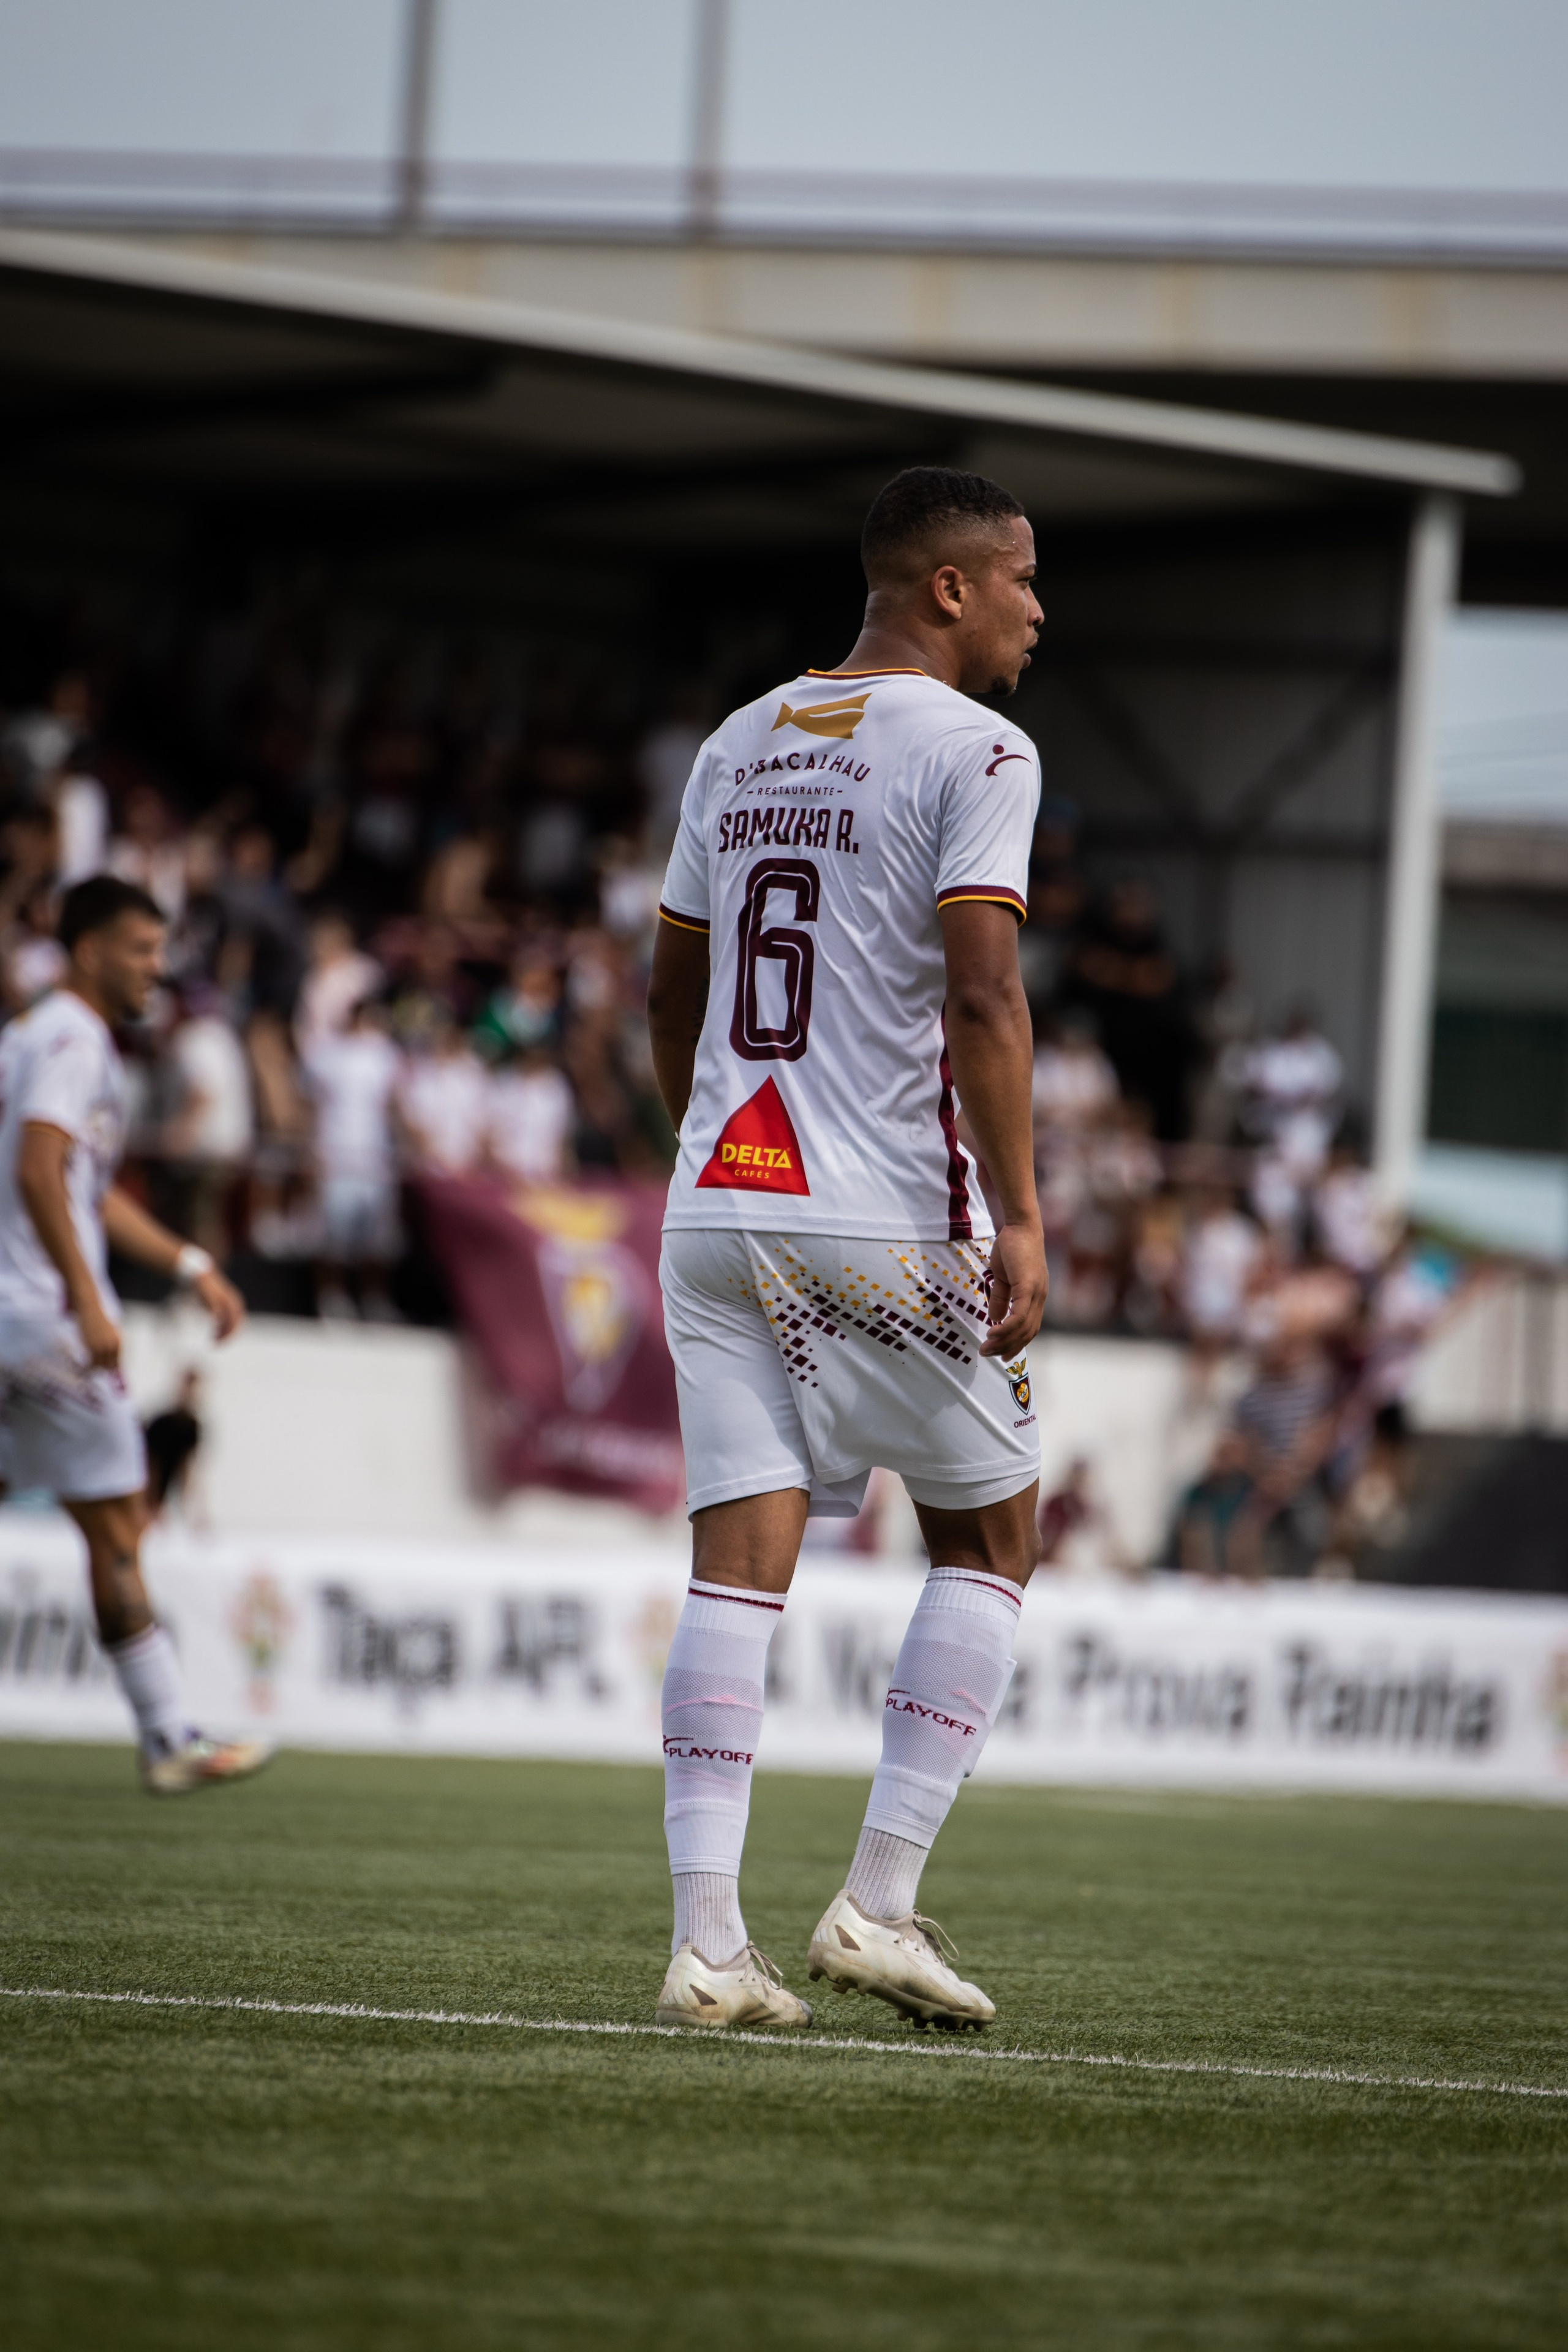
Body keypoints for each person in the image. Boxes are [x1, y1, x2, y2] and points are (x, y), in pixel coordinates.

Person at [646, 466, 1047, 2034]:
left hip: (715, 1199)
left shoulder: (737, 738)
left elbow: (669, 986)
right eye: (1019, 578)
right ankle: (874, 1906)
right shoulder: (977, 747)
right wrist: (1021, 1214)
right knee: (991, 1538)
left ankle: (706, 1942)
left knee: (733, 1572)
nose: (1035, 610)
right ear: (947, 587)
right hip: (879, 1212)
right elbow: (984, 995)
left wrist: (704, 1141)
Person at [0, 876, 266, 1792]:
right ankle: (168, 1737)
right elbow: (40, 1169)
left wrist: (189, 1264)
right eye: (141, 949)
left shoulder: (28, 1035)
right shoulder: (75, 1040)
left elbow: (81, 1186)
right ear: (88, 950)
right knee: (116, 1521)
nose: (157, 967)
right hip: (41, 1321)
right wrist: (86, 1298)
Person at [302, 994, 402, 1319]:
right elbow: (310, 1105)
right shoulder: (326, 1054)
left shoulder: (386, 1055)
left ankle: (374, 1298)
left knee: (378, 1236)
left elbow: (393, 1106)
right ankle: (331, 1297)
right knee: (332, 1233)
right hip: (336, 1150)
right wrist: (312, 1147)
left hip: (375, 1154)